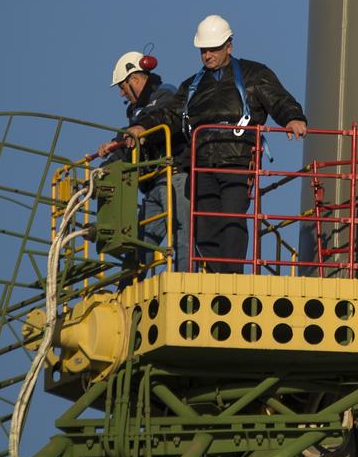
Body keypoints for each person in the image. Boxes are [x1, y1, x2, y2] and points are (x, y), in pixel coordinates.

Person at [128, 16, 307, 273]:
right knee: (203, 226)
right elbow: (169, 114)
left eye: (213, 49)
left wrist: (293, 118)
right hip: (201, 162)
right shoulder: (192, 86)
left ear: (229, 46)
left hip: (237, 158)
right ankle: (213, 277)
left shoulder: (254, 74)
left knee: (232, 220)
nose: (207, 55)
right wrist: (143, 126)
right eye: (204, 50)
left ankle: (230, 277)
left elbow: (278, 99)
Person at [96, 51, 189, 270]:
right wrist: (104, 169)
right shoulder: (136, 114)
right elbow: (130, 144)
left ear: (135, 78)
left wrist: (136, 129)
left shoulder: (166, 94)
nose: (121, 93)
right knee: (139, 246)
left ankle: (185, 281)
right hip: (153, 185)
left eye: (122, 86)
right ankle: (128, 284)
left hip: (175, 177)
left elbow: (160, 116)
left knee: (183, 237)